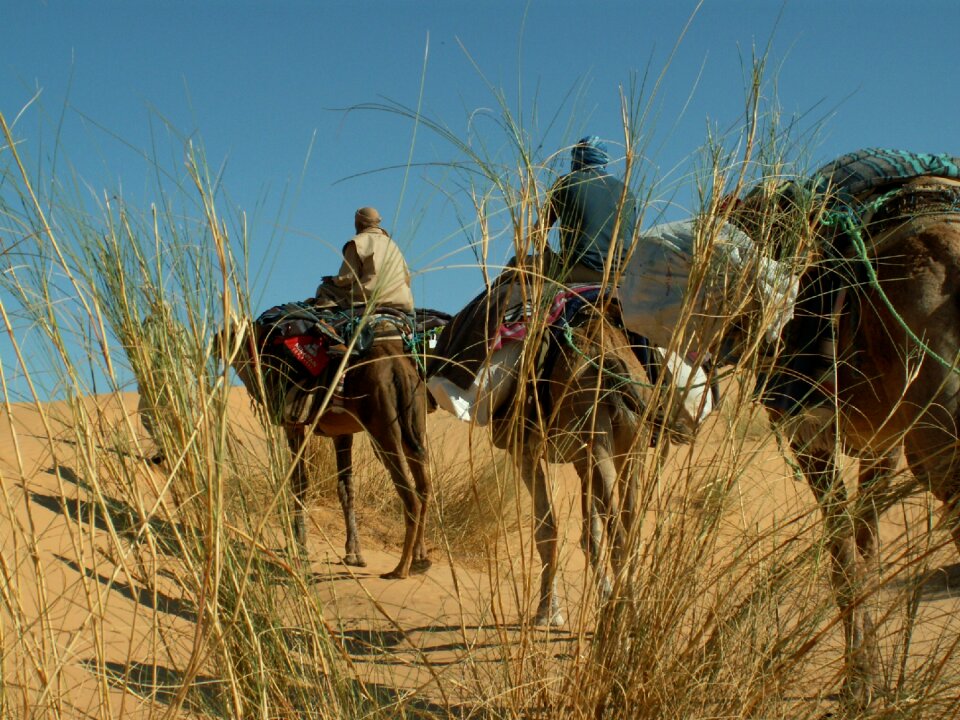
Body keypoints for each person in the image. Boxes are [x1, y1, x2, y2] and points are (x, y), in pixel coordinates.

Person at [536, 135, 638, 285]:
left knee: (516, 265)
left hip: (579, 270)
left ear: (576, 158)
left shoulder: (566, 182)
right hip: (623, 275)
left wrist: (548, 256)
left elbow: (537, 232)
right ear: (604, 160)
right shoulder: (626, 191)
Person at [314, 206, 414, 314]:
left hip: (370, 298)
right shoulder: (393, 244)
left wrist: (333, 280)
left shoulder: (357, 242)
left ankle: (326, 322)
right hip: (402, 301)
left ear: (358, 223)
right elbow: (407, 277)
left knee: (324, 289)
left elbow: (347, 278)